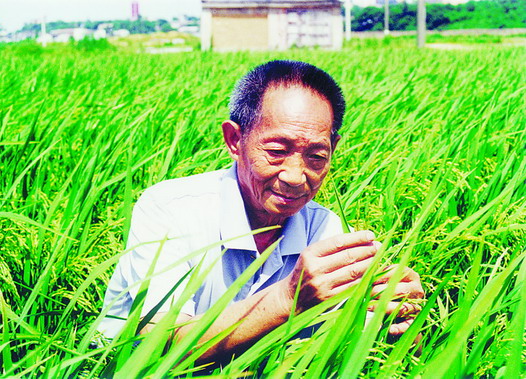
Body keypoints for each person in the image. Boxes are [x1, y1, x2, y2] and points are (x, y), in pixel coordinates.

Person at [99, 60, 424, 363]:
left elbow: (348, 337)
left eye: (316, 156)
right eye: (277, 151)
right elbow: (162, 342)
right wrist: (289, 299)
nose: (296, 177)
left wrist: (398, 321)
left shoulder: (323, 227)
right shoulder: (169, 209)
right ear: (234, 139)